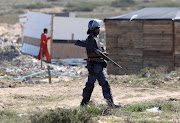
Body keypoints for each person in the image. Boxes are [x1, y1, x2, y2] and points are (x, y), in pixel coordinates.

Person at [81, 19, 119, 108]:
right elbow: (90, 53)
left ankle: (110, 104)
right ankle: (83, 104)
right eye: (98, 28)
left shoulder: (95, 38)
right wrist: (100, 55)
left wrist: (102, 54)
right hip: (94, 66)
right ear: (93, 29)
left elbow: (96, 51)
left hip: (98, 65)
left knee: (104, 84)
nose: (99, 30)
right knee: (90, 85)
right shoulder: (91, 39)